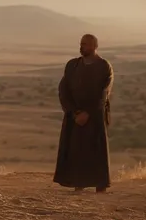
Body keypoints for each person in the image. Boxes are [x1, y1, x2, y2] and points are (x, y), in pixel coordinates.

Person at [53, 34, 113, 193]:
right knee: (75, 150)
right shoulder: (72, 65)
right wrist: (74, 112)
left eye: (85, 44)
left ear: (94, 46)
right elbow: (63, 90)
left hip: (95, 116)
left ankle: (100, 185)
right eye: (81, 44)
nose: (82, 47)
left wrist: (89, 113)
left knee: (96, 150)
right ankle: (78, 183)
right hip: (75, 116)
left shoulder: (104, 66)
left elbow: (104, 92)